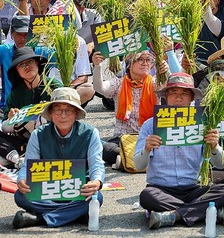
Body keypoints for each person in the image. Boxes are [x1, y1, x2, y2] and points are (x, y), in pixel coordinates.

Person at [133, 73, 224, 229]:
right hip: (161, 189)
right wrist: (146, 149)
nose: (178, 98)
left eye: (184, 94)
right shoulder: (150, 125)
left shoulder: (203, 123)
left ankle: (174, 215)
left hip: (194, 188)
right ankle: (202, 210)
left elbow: (221, 164)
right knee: (146, 197)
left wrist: (215, 147)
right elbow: (138, 165)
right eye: (173, 93)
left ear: (192, 98)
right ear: (166, 96)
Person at [13, 87, 104, 229]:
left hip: (76, 190)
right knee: (20, 196)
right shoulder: (38, 134)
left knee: (96, 197)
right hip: (46, 189)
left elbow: (96, 164)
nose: (63, 115)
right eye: (58, 109)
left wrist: (96, 182)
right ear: (50, 113)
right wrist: (22, 179)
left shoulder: (90, 133)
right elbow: (28, 164)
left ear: (76, 113)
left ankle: (40, 219)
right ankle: (76, 214)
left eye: (69, 110)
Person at [92, 50, 165, 166]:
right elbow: (99, 87)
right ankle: (128, 159)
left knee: (162, 146)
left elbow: (170, 86)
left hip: (149, 138)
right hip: (123, 138)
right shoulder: (119, 83)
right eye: (140, 59)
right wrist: (98, 66)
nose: (145, 63)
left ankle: (125, 160)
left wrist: (165, 70)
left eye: (148, 60)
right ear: (129, 64)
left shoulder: (155, 82)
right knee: (99, 146)